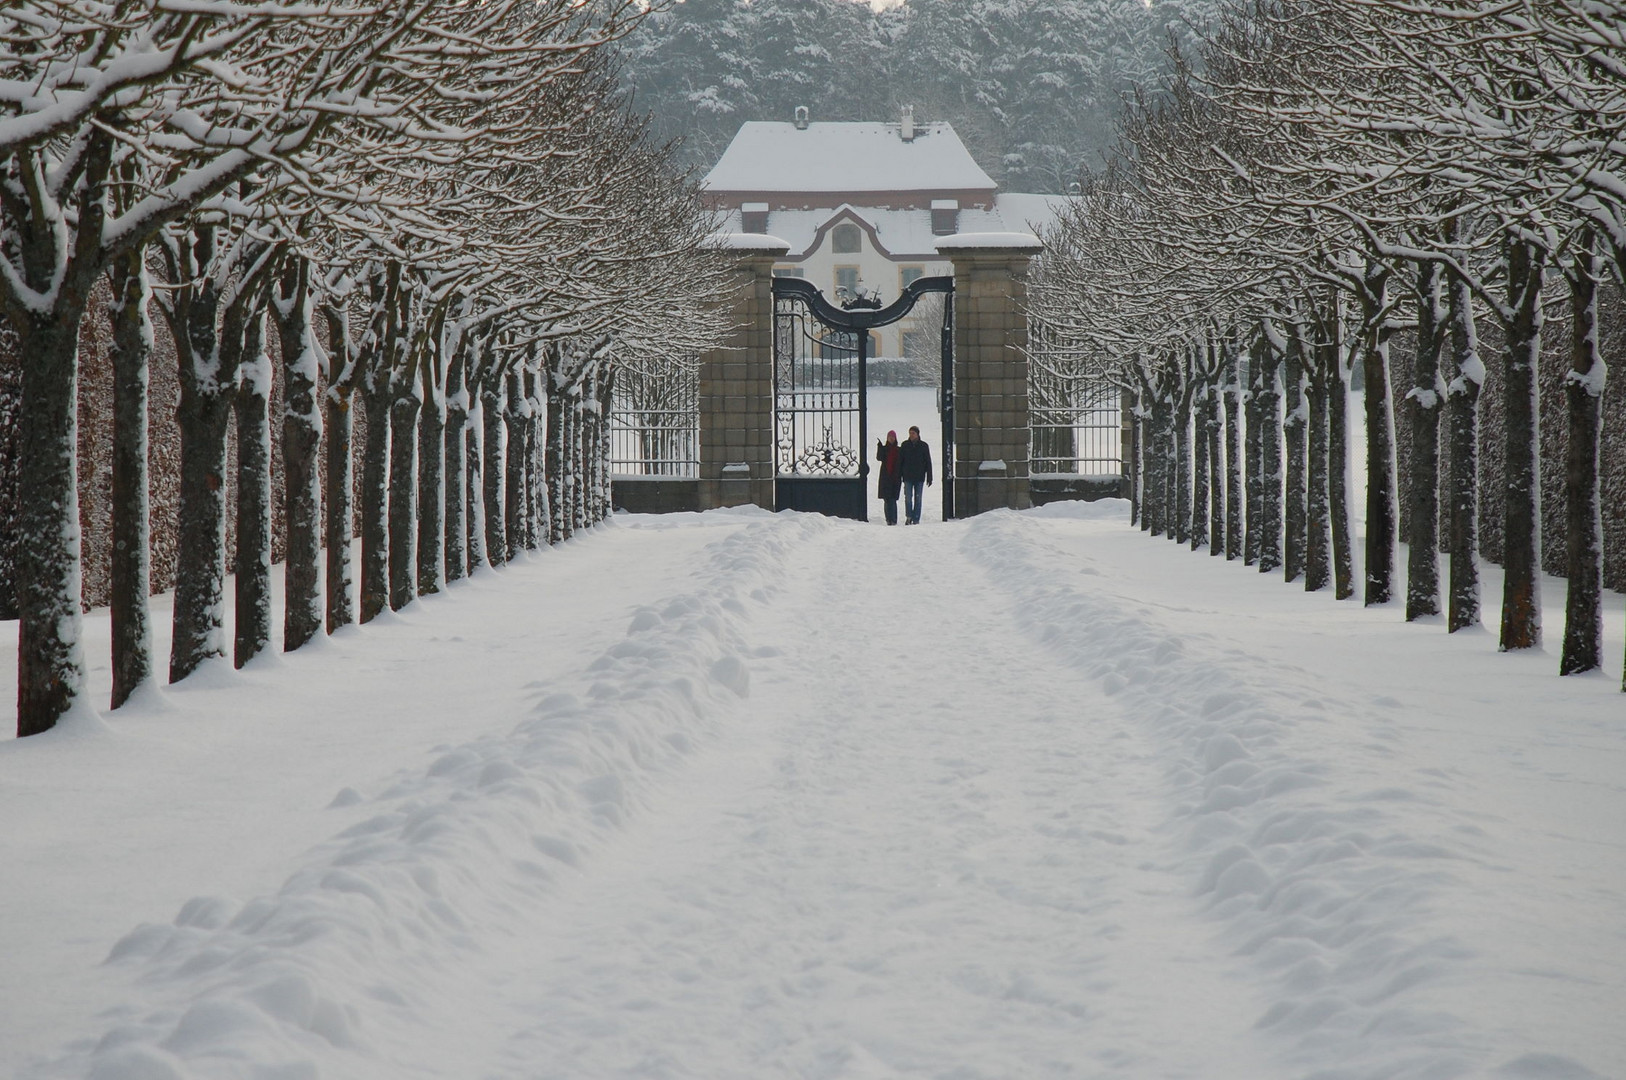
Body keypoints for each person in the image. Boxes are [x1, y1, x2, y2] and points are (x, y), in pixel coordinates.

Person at [899, 425, 933, 524]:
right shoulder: (905, 445)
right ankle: (909, 516)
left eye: (913, 433)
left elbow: (928, 462)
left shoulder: (923, 446)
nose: (911, 435)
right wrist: (900, 474)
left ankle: (916, 518)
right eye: (910, 433)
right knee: (908, 498)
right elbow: (900, 461)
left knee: (918, 499)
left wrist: (929, 477)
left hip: (919, 477)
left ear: (918, 434)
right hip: (908, 476)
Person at [875, 430, 903, 525]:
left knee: (893, 499)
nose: (891, 438)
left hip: (895, 477)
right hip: (885, 477)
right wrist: (879, 447)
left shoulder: (899, 450)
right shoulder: (884, 449)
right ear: (887, 438)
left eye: (893, 437)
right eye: (890, 437)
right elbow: (879, 458)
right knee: (886, 499)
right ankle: (888, 519)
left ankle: (894, 519)